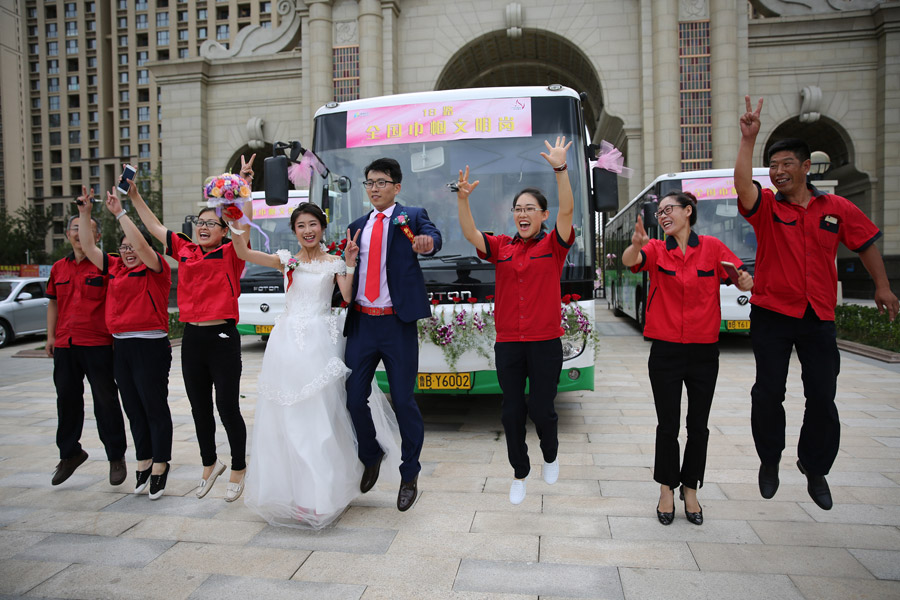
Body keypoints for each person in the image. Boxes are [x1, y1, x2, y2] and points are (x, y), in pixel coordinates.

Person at [735, 96, 899, 510]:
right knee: (768, 393)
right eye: (772, 166)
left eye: (786, 163)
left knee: (822, 396)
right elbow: (742, 185)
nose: (777, 172)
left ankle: (815, 466)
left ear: (806, 167)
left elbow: (865, 244)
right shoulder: (767, 208)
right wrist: (748, 139)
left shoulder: (836, 208)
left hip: (818, 317)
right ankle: (769, 461)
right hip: (772, 313)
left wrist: (882, 286)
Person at [229, 202, 402, 528]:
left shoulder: (334, 262)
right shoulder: (287, 260)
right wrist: (239, 205)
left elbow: (348, 297)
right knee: (287, 421)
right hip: (285, 347)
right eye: (300, 226)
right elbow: (243, 252)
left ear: (322, 227)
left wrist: (350, 264)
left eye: (313, 224)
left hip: (319, 345)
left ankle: (320, 497)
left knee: (320, 421)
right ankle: (295, 496)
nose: (307, 231)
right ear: (294, 231)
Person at [621, 192, 753, 526]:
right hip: (665, 351)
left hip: (703, 352)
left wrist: (747, 280)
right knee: (668, 425)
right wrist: (636, 245)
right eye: (660, 212)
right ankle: (666, 487)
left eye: (670, 210)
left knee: (698, 426)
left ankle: (690, 488)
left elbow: (740, 275)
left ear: (688, 211)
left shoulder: (711, 248)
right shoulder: (654, 249)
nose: (663, 216)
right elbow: (628, 260)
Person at [455, 137, 573, 505]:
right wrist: (463, 199)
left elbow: (568, 212)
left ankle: (550, 454)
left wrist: (560, 169)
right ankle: (520, 472)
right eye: (517, 208)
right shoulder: (502, 246)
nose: (522, 213)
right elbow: (471, 234)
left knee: (542, 409)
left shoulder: (553, 245)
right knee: (511, 412)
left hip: (544, 343)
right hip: (508, 342)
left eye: (530, 208)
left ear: (543, 215)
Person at [130, 160, 255, 502]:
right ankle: (209, 463)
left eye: (211, 223)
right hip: (192, 338)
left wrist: (241, 187)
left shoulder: (233, 252)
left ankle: (239, 467)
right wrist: (136, 196)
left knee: (227, 406)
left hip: (223, 337)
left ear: (223, 230)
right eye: (200, 222)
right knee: (199, 407)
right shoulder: (184, 250)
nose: (203, 227)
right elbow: (153, 226)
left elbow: (245, 221)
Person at [344, 157, 442, 512]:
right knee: (353, 397)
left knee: (403, 401)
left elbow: (433, 237)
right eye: (369, 182)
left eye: (381, 182)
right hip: (362, 324)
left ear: (396, 186)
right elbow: (347, 270)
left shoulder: (411, 216)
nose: (374, 188)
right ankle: (371, 454)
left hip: (397, 324)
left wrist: (425, 243)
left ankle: (409, 474)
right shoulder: (356, 226)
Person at [75, 184, 173, 500]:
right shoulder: (115, 267)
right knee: (132, 408)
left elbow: (144, 246)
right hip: (122, 347)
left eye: (132, 246)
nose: (129, 251)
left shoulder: (155, 267)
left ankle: (160, 464)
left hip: (150, 345)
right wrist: (85, 212)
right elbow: (90, 249)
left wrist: (121, 213)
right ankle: (143, 460)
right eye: (123, 247)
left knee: (153, 406)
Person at [46, 204, 128, 487]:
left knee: (105, 401)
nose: (80, 234)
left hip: (98, 343)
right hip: (66, 344)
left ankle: (116, 456)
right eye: (76, 229)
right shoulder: (59, 268)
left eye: (87, 229)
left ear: (98, 235)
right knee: (66, 400)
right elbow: (53, 302)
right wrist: (50, 337)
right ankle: (69, 453)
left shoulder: (106, 264)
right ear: (68, 234)